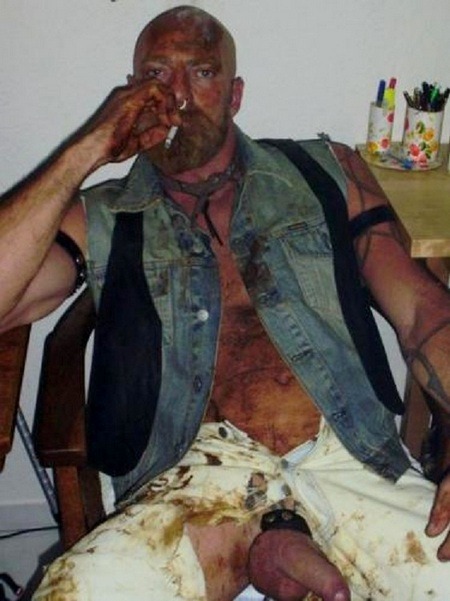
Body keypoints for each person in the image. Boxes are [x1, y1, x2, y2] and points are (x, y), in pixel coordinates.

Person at [2, 5, 450, 600]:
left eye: (202, 72)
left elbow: (423, 312)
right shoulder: (103, 214)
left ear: (235, 95)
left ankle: (283, 548)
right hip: (190, 480)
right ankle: (260, 547)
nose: (177, 95)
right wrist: (87, 149)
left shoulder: (326, 171)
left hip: (350, 457)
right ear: (130, 92)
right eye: (157, 74)